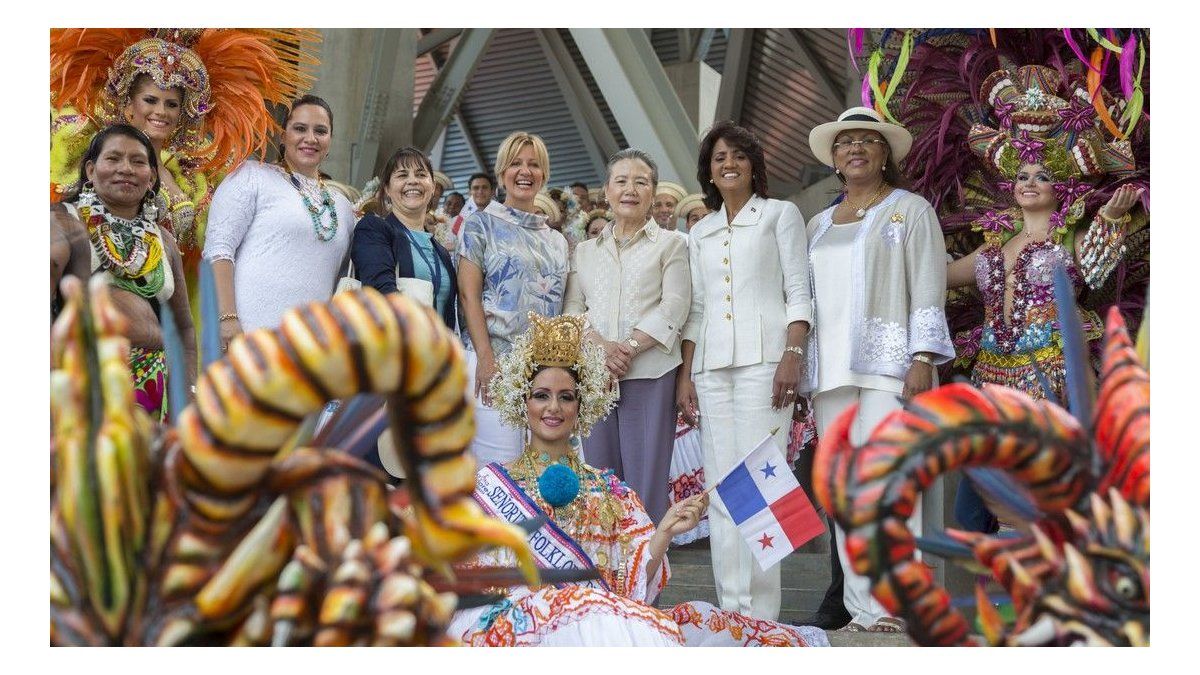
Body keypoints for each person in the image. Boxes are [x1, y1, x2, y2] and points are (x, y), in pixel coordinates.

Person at [447, 313, 828, 647]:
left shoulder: (611, 492)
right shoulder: (488, 487)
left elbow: (632, 587)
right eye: (541, 395)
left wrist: (664, 533)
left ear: (582, 404)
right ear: (522, 401)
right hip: (514, 629)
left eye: (566, 397)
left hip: (595, 627)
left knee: (690, 623)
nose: (553, 407)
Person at [802, 106, 955, 632]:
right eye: (846, 142)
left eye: (868, 140)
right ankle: (862, 609)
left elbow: (930, 285)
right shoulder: (818, 224)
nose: (856, 148)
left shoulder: (910, 210)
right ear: (834, 158)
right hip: (829, 375)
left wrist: (923, 357)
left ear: (885, 154)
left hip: (891, 367)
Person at [50, 28, 320, 320]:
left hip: (169, 304)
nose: (161, 112)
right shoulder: (97, 156)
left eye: (171, 104)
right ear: (128, 105)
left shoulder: (193, 174)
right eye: (150, 100)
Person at [676, 122, 812, 621]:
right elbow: (695, 309)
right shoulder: (700, 231)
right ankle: (730, 611)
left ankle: (763, 616)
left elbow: (799, 291)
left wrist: (793, 354)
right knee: (720, 489)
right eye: (719, 157)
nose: (728, 163)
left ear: (754, 164)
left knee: (760, 484)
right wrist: (685, 375)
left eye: (737, 155)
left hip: (767, 364)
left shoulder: (780, 214)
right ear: (708, 172)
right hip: (711, 369)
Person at [946, 66, 1143, 402]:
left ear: (1062, 186)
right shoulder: (995, 245)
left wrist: (1110, 218)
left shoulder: (1068, 237)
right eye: (1022, 177)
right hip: (990, 372)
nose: (1030, 183)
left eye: (1042, 177)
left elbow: (1094, 269)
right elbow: (939, 277)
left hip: (1051, 370)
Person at [565, 148, 690, 524]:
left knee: (645, 484)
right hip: (596, 377)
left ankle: (648, 562)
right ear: (607, 191)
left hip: (651, 375)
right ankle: (607, 560)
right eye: (621, 181)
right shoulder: (584, 251)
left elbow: (675, 305)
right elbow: (573, 307)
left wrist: (629, 347)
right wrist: (601, 348)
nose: (630, 190)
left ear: (653, 192)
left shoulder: (672, 244)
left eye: (641, 182)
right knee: (601, 483)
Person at [60, 124, 196, 421]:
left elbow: (184, 327)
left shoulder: (164, 241)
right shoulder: (65, 223)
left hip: (153, 391)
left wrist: (188, 392)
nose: (126, 169)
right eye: (113, 158)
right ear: (91, 170)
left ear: (152, 178)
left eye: (138, 161)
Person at [203, 95, 356, 346]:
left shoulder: (343, 206)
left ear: (330, 140)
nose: (310, 138)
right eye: (300, 128)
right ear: (283, 136)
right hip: (251, 338)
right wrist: (227, 318)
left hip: (313, 347)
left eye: (320, 131)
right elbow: (219, 250)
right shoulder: (251, 176)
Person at [457, 132, 570, 467]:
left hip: (544, 373)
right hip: (493, 363)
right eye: (516, 163)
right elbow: (469, 295)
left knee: (543, 470)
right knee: (499, 470)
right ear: (501, 172)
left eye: (534, 165)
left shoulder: (557, 241)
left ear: (544, 174)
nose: (525, 171)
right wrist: (486, 359)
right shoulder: (480, 224)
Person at [351, 146, 457, 329]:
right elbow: (379, 294)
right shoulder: (374, 230)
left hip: (437, 346)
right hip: (396, 344)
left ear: (433, 187)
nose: (413, 181)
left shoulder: (441, 252)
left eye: (421, 174)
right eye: (402, 175)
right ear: (387, 188)